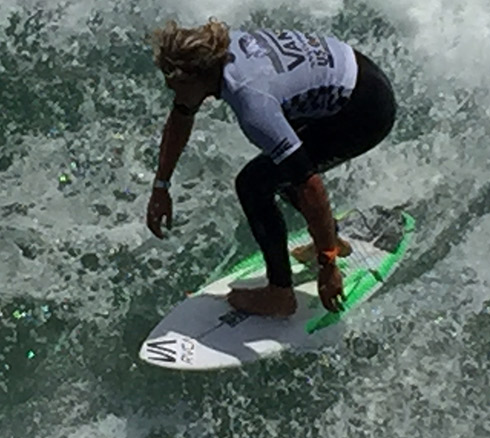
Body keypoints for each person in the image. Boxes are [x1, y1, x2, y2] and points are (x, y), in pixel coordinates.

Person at [145, 19, 396, 317]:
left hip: (365, 110)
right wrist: (161, 186)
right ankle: (332, 240)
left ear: (197, 78)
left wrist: (327, 267)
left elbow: (309, 184)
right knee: (282, 166)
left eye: (174, 83)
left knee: (255, 183)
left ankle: (281, 293)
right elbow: (181, 114)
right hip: (351, 73)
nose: (168, 87)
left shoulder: (253, 104)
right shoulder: (222, 51)